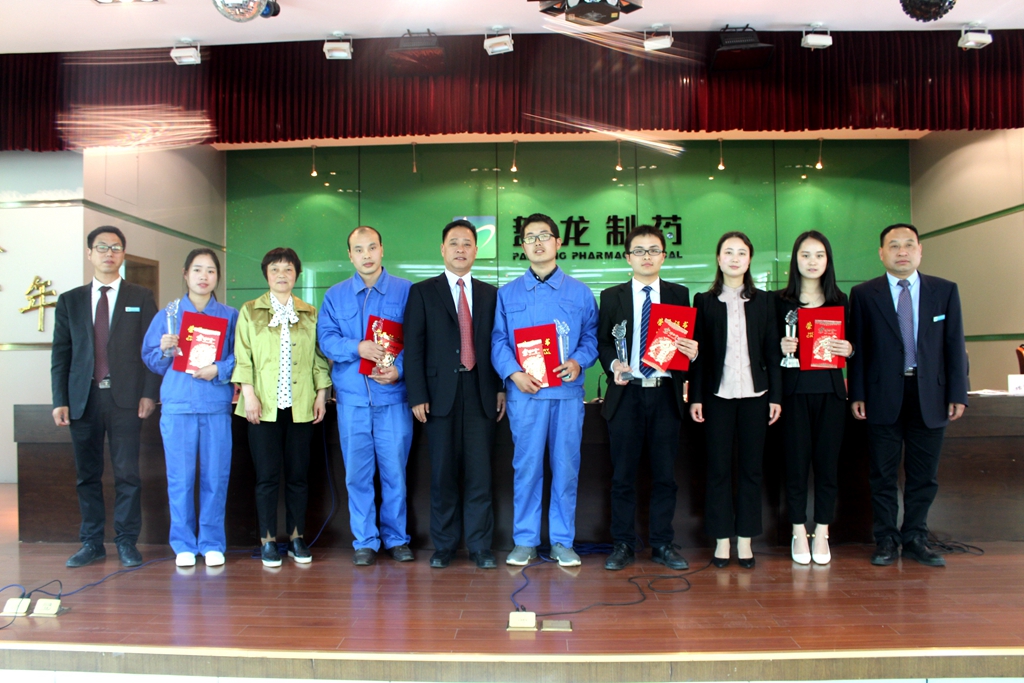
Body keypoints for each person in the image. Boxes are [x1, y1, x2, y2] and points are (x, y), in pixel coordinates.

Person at [848, 223, 968, 568]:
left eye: (909, 245)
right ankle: (886, 539)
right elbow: (859, 348)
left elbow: (954, 344)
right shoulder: (864, 294)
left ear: (920, 250)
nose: (902, 252)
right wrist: (857, 392)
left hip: (931, 394)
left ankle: (916, 537)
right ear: (881, 253)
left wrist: (958, 392)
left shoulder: (944, 291)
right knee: (882, 474)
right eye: (894, 245)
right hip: (881, 394)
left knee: (923, 475)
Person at [491, 213, 598, 567]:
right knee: (526, 469)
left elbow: (592, 337)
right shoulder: (507, 294)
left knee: (566, 469)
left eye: (544, 236)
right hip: (526, 396)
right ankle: (525, 540)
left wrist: (579, 361)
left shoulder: (580, 293)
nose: (537, 243)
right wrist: (513, 373)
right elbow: (497, 341)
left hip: (566, 396)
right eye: (530, 237)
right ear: (523, 246)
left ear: (558, 242)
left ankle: (562, 541)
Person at [51, 225, 160, 568]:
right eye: (101, 247)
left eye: (115, 248)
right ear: (90, 253)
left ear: (123, 254)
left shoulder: (140, 296)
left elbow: (151, 350)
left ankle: (126, 541)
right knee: (87, 475)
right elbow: (61, 354)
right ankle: (91, 542)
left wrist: (149, 394)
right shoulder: (70, 300)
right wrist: (60, 399)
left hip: (125, 399)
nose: (108, 253)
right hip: (83, 400)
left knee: (127, 474)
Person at [404, 219, 506, 569]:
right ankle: (444, 545)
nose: (460, 249)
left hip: (480, 390)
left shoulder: (491, 294)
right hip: (438, 395)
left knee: (480, 474)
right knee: (442, 473)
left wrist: (500, 387)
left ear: (476, 250)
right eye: (454, 243)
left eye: (467, 243)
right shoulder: (422, 292)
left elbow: (498, 345)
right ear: (442, 249)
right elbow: (413, 347)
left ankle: (480, 546)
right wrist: (417, 393)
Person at [597, 225, 699, 571]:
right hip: (626, 395)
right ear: (628, 257)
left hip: (665, 394)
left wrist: (693, 351)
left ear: (663, 256)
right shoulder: (611, 296)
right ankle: (623, 544)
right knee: (622, 476)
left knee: (665, 476)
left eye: (653, 250)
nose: (646, 256)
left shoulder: (678, 294)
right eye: (639, 251)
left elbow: (687, 342)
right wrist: (613, 364)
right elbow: (603, 342)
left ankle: (662, 544)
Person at [318, 226, 415, 567]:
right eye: (359, 250)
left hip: (393, 399)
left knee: (394, 473)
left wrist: (399, 370)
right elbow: (326, 340)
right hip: (353, 401)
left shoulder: (406, 291)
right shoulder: (335, 296)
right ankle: (365, 541)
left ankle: (397, 539)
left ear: (382, 249)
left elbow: (418, 341)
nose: (366, 255)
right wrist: (356, 347)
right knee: (357, 475)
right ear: (350, 255)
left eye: (372, 247)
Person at [232, 247, 331, 568]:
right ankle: (267, 540)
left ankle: (297, 537)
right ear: (266, 274)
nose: (282, 275)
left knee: (299, 476)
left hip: (301, 406)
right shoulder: (250, 311)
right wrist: (248, 394)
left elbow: (319, 359)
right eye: (275, 269)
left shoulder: (309, 312)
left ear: (297, 275)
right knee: (267, 477)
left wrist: (321, 394)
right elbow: (243, 356)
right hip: (262, 407)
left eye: (288, 269)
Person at [689, 231, 781, 569]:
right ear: (718, 258)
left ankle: (745, 539)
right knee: (718, 469)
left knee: (751, 469)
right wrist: (696, 397)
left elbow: (772, 351)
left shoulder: (765, 301)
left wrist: (776, 396)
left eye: (741, 252)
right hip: (718, 396)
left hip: (756, 395)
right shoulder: (704, 301)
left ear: (749, 259)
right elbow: (698, 355)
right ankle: (721, 540)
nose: (734, 258)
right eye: (728, 252)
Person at [142, 248, 238, 568]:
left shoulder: (230, 315)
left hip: (214, 405)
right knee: (180, 478)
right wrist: (164, 349)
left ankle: (212, 542)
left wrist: (219, 369)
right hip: (179, 406)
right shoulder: (168, 315)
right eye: (197, 270)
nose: (203, 276)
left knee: (215, 476)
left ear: (217, 277)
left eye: (210, 270)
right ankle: (183, 543)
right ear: (185, 274)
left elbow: (241, 356)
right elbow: (151, 360)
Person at [774, 231, 853, 566]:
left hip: (831, 394)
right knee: (795, 466)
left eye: (819, 255)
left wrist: (849, 349)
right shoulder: (779, 301)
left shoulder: (840, 301)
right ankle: (797, 530)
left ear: (828, 260)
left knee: (827, 466)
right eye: (805, 255)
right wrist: (779, 347)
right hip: (794, 394)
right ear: (795, 260)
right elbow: (766, 350)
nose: (812, 262)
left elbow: (855, 346)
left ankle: (822, 531)